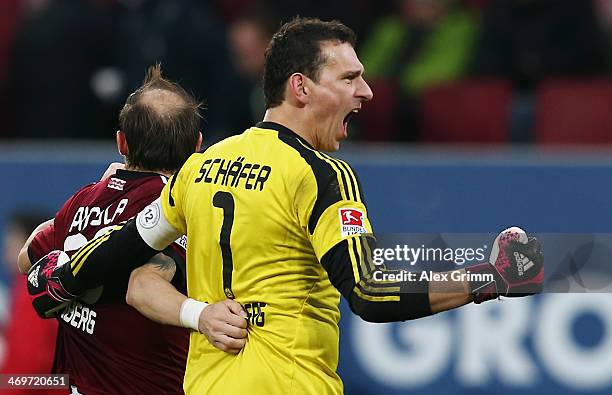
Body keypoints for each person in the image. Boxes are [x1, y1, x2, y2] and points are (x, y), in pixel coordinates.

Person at [28, 18, 543, 395]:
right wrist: (488, 277)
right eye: (348, 78)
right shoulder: (321, 174)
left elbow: (130, 246)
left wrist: (63, 279)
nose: (365, 91)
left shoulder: (206, 165)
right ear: (301, 87)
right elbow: (367, 291)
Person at [18, 65, 248, 394]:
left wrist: (94, 197)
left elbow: (27, 259)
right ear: (197, 145)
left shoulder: (84, 200)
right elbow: (143, 287)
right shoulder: (174, 210)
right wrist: (202, 316)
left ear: (121, 142)